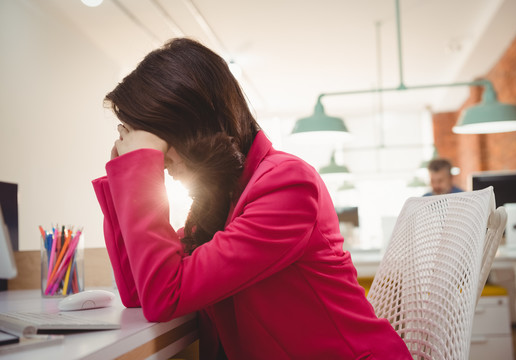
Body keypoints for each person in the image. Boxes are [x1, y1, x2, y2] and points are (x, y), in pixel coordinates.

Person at [92, 38, 412, 360]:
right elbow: (140, 292)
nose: (158, 161)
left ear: (191, 128)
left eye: (155, 142)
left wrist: (138, 170)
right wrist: (124, 175)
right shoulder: (219, 200)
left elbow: (166, 296)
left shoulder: (286, 185)